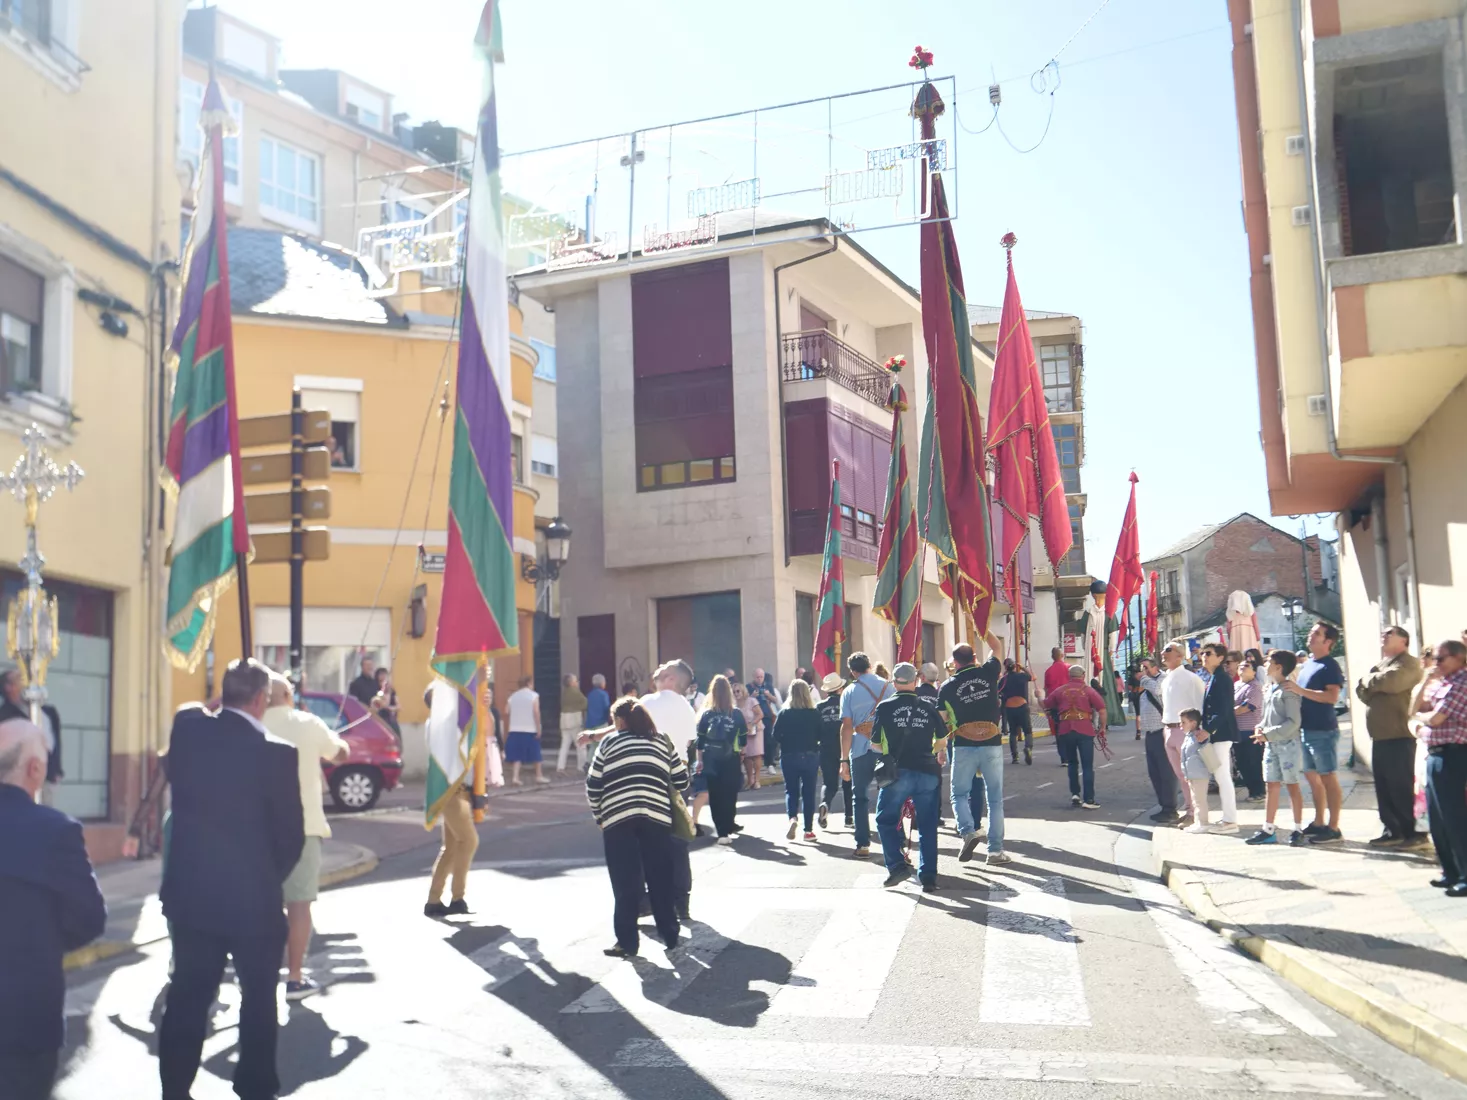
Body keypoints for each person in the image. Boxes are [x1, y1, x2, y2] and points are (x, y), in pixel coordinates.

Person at [159, 659, 304, 1100]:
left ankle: (175, 1091)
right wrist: (265, 878)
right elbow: (291, 838)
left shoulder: (186, 730)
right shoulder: (279, 753)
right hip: (253, 901)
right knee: (258, 1001)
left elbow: (195, 712)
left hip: (192, 897)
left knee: (187, 999)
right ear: (261, 700)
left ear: (222, 694)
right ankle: (255, 1088)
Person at [0, 717, 106, 1099]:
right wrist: (41, 942)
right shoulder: (54, 830)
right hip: (24, 1015)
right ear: (35, 769)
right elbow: (90, 919)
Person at [263, 676, 350, 1000]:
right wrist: (336, 739)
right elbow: (339, 753)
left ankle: (259, 974)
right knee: (299, 906)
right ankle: (295, 977)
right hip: (303, 826)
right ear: (287, 694)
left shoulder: (251, 723)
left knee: (260, 906)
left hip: (256, 830)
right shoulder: (307, 722)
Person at [585, 697, 689, 955]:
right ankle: (670, 935)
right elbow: (681, 780)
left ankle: (627, 943)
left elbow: (593, 784)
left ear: (620, 721)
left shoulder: (609, 742)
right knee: (660, 879)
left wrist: (600, 815)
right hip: (657, 819)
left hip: (617, 819)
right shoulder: (662, 740)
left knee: (625, 883)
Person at [869, 663, 948, 891]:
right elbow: (941, 740)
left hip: (898, 773)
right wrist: (933, 750)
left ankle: (897, 866)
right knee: (927, 824)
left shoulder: (884, 708)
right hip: (927, 772)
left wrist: (887, 750)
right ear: (916, 681)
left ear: (894, 683)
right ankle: (929, 877)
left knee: (885, 820)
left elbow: (875, 743)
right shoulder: (928, 705)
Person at [939, 634, 1010, 865]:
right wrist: (982, 627)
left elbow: (942, 721)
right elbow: (997, 645)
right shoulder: (988, 671)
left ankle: (968, 831)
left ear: (954, 661)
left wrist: (940, 748)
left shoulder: (947, 686)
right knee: (995, 799)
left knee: (959, 794)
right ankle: (995, 851)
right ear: (975, 657)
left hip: (963, 745)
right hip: (991, 742)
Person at [1356, 626, 1425, 848]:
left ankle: (1412, 833)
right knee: (1384, 787)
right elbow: (1362, 691)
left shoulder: (1410, 663)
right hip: (1380, 736)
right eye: (1383, 634)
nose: (1383, 637)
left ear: (1404, 640)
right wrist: (1374, 681)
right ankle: (1392, 830)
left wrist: (1371, 681)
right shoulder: (1381, 665)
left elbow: (1392, 682)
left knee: (1401, 786)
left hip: (1399, 735)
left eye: (1389, 634)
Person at [639, 660, 699, 918]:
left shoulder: (649, 702)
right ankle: (680, 901)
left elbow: (625, 727)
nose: (659, 667)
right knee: (677, 840)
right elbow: (688, 741)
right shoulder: (686, 707)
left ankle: (648, 900)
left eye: (664, 668)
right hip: (677, 775)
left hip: (648, 775)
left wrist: (596, 735)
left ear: (671, 678)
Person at [424, 679, 486, 918]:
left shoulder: (445, 724)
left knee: (451, 846)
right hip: (451, 791)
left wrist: (482, 704)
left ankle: (434, 900)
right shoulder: (441, 725)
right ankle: (457, 898)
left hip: (457, 791)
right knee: (469, 841)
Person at [1411, 639, 1467, 896]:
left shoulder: (1462, 683)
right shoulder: (1442, 684)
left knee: (1455, 818)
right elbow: (1413, 709)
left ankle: (1465, 875)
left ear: (1458, 658)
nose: (1436, 663)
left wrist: (1423, 722)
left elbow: (1435, 718)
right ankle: (1450, 872)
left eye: (1441, 658)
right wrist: (1425, 681)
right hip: (1435, 755)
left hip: (1453, 756)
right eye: (1434, 658)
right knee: (1438, 820)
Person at [1283, 622, 1346, 844]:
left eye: (1316, 633)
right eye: (1311, 631)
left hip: (1323, 730)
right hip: (1306, 730)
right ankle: (1319, 822)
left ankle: (1334, 827)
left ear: (1328, 641)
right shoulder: (1309, 664)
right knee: (1313, 779)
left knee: (1328, 777)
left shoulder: (1330, 666)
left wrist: (1299, 690)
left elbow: (1331, 697)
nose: (1310, 635)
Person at [1246, 650, 1306, 845]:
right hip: (1272, 745)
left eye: (1270, 662)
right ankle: (1268, 828)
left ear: (1279, 667)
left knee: (1292, 785)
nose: (1266, 664)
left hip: (1288, 745)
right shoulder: (1271, 688)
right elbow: (1267, 715)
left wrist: (1268, 734)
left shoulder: (1288, 691)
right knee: (1271, 785)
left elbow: (1294, 722)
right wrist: (1260, 726)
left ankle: (1297, 828)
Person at [838, 652, 893, 859]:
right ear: (869, 665)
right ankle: (895, 840)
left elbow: (846, 727)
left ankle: (862, 844)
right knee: (889, 794)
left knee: (859, 797)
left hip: (860, 749)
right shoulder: (888, 686)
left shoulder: (849, 691)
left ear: (852, 671)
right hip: (885, 749)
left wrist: (843, 759)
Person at [1043, 665, 1108, 809]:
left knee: (1072, 763)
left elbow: (1046, 704)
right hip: (1084, 730)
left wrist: (1038, 696)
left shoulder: (1060, 691)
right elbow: (1102, 710)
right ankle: (1089, 799)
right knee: (1087, 766)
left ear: (1069, 675)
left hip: (1066, 730)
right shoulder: (1089, 691)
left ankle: (1075, 794)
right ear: (1083, 675)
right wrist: (1102, 727)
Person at [697, 675, 748, 843]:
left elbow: (700, 740)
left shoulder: (706, 715)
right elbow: (743, 739)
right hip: (730, 758)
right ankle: (728, 825)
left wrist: (700, 760)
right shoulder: (737, 714)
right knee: (730, 793)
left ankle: (721, 831)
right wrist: (741, 751)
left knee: (716, 795)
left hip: (711, 759)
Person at [1160, 644, 1207, 828]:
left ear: (1180, 655)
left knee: (1190, 773)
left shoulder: (1191, 678)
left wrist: (1198, 729)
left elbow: (1200, 705)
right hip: (1169, 729)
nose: (1163, 653)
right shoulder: (1166, 679)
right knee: (1180, 774)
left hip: (1185, 730)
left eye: (1168, 650)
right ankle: (1189, 808)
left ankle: (1194, 812)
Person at [771, 679, 822, 840]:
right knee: (809, 793)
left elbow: (775, 735)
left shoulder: (785, 713)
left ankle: (792, 818)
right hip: (810, 755)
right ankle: (808, 830)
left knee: (791, 791)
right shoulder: (814, 713)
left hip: (789, 755)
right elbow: (822, 734)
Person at [1198, 644, 1240, 833]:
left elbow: (1224, 709)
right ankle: (1228, 818)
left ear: (1220, 657)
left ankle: (1230, 821)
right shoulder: (1213, 677)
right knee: (1220, 776)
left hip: (1221, 734)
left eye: (1208, 654)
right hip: (1216, 734)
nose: (1204, 656)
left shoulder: (1222, 679)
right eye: (1203, 653)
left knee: (1223, 777)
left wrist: (1208, 730)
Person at [0, 669, 62, 796]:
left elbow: (56, 743)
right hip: (18, 783)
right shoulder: (4, 716)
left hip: (47, 779)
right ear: (9, 687)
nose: (28, 683)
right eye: (21, 679)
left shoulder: (49, 713)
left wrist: (57, 771)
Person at [1136, 657, 1177, 822]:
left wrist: (1143, 678)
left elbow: (1158, 691)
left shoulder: (1163, 679)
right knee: (1155, 772)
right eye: (1141, 668)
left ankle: (1170, 808)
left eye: (1146, 667)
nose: (1143, 670)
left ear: (1155, 667)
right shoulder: (1146, 685)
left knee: (1166, 772)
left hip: (1162, 731)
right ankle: (1164, 806)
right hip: (1151, 733)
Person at [816, 671, 852, 829]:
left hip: (825, 748)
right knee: (847, 782)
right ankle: (849, 817)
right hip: (845, 746)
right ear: (840, 689)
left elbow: (815, 730)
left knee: (828, 783)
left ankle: (825, 803)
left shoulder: (819, 707)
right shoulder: (847, 704)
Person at [1231, 651, 1266, 803]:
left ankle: (1259, 792)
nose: (1242, 668)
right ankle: (1252, 790)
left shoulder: (1255, 686)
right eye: (1240, 666)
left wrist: (1227, 712)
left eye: (1246, 666)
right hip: (1237, 731)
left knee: (1253, 763)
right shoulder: (1237, 685)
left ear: (1253, 671)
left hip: (1251, 731)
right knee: (1242, 763)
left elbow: (1246, 707)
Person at [1178, 709, 1217, 834]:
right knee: (1195, 799)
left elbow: (1205, 745)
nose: (1180, 725)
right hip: (1192, 774)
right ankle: (1198, 822)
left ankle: (1203, 823)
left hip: (1200, 774)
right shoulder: (1188, 737)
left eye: (1183, 722)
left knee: (1199, 800)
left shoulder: (1199, 736)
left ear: (1193, 723)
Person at [504, 676, 548, 786]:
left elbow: (506, 711)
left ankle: (515, 777)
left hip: (515, 728)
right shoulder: (533, 696)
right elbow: (536, 712)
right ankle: (538, 775)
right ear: (529, 683)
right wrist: (539, 728)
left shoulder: (512, 696)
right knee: (536, 753)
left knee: (517, 755)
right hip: (530, 728)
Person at [1000, 657, 1034, 765]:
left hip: (1010, 708)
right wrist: (1023, 668)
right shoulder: (1022, 676)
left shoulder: (1004, 680)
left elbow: (998, 691)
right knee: (1027, 731)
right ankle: (1028, 747)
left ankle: (1015, 757)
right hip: (1022, 706)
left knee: (1013, 733)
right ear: (1015, 666)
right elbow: (1032, 677)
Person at [747, 668, 782, 774]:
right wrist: (752, 697)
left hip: (766, 715)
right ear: (754, 677)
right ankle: (754, 765)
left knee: (769, 740)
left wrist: (768, 695)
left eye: (761, 677)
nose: (759, 679)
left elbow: (775, 700)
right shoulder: (749, 687)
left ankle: (769, 763)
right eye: (757, 677)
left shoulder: (768, 686)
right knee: (753, 741)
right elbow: (744, 700)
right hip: (754, 716)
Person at [1043, 647, 1072, 763]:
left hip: (1055, 704)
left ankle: (1063, 758)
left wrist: (1047, 706)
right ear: (1062, 655)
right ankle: (1070, 754)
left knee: (1059, 729)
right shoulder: (1069, 668)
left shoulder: (1049, 671)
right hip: (1069, 702)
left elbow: (1046, 689)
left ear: (1052, 657)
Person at [734, 681, 764, 790]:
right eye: (734, 692)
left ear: (743, 691)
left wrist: (751, 724)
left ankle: (757, 780)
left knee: (756, 755)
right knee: (746, 756)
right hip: (743, 732)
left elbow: (760, 714)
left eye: (738, 691)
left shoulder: (751, 701)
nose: (736, 694)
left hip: (755, 729)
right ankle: (750, 780)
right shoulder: (734, 705)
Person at [557, 672, 589, 773]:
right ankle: (582, 766)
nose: (577, 682)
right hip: (574, 719)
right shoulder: (576, 692)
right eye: (575, 680)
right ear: (571, 683)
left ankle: (560, 766)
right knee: (581, 744)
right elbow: (585, 703)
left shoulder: (564, 692)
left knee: (564, 745)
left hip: (564, 720)